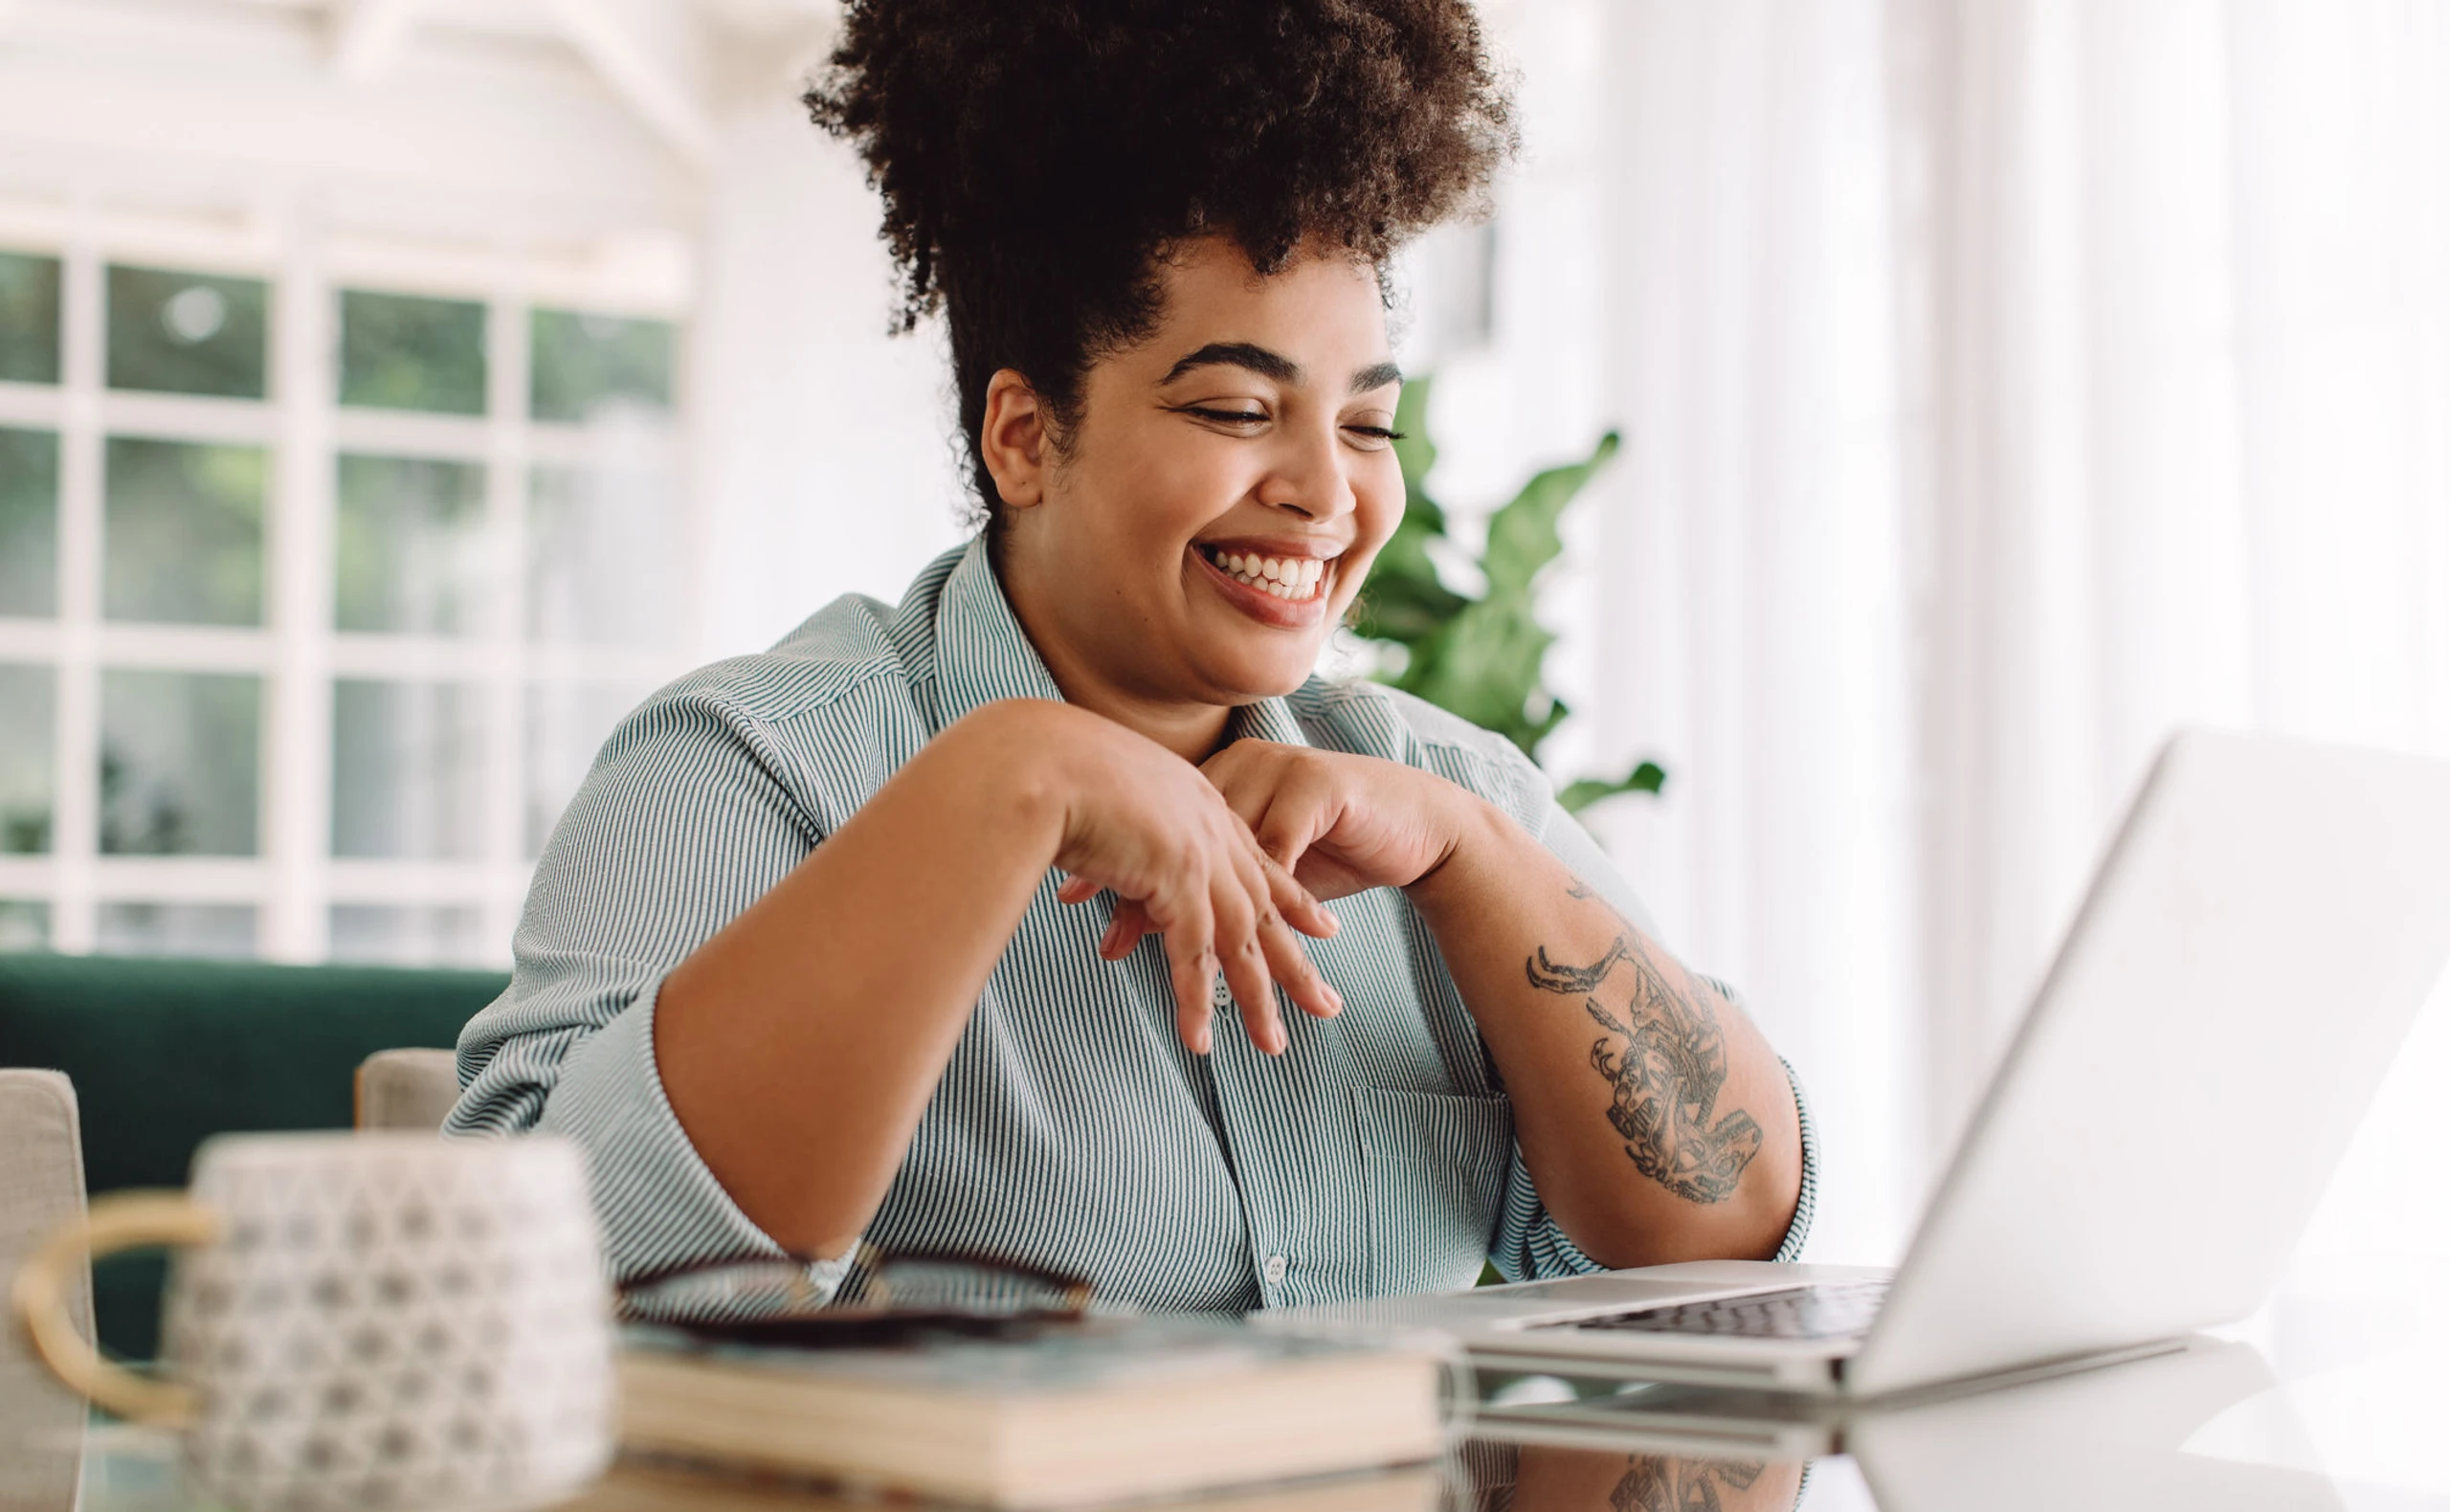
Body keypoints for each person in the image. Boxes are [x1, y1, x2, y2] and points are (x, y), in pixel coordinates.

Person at [449, 0, 1814, 1314]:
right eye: (1236, 408)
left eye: (1367, 426)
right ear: (1025, 437)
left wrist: (1477, 866)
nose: (1326, 494)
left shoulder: (1440, 797)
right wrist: (1005, 782)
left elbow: (1730, 1244)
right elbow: (521, 1289)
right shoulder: (749, 771)